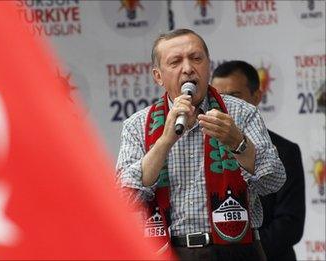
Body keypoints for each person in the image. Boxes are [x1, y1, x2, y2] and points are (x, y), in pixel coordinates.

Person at [116, 29, 286, 261]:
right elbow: (124, 200)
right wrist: (164, 141)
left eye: (196, 59)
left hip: (236, 252)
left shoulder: (241, 112)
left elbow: (274, 180)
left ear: (208, 65)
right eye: (175, 62)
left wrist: (238, 142)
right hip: (168, 252)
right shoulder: (137, 125)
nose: (188, 68)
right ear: (158, 76)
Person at [211, 60, 306, 261]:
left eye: (234, 96)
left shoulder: (285, 151)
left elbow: (290, 224)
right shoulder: (200, 151)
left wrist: (245, 252)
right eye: (219, 97)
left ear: (256, 97)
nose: (226, 104)